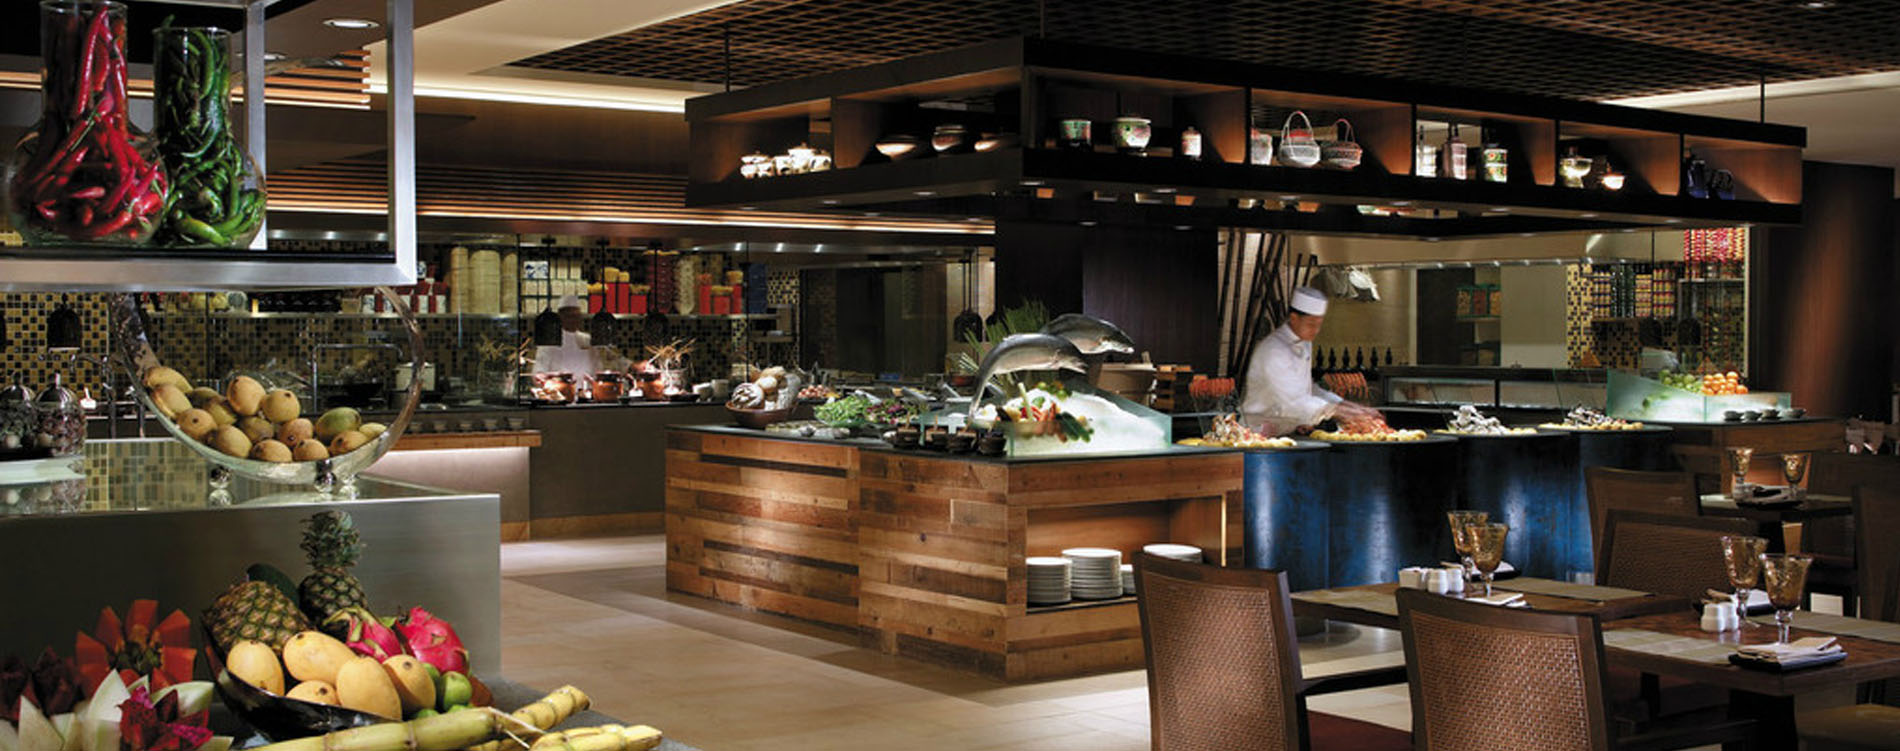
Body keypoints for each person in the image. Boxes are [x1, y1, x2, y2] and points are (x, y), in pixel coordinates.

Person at [1241, 286, 1383, 434]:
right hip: (1258, 434)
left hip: (1285, 434)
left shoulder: (1304, 343)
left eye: (1319, 325)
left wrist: (1346, 405)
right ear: (1294, 319)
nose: (1316, 331)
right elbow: (1293, 402)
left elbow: (1307, 390)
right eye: (1311, 324)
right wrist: (1340, 412)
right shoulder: (1274, 351)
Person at [532, 295, 618, 379]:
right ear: (560, 316)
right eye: (570, 316)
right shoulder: (549, 342)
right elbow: (539, 371)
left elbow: (598, 367)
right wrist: (541, 377)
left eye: (576, 316)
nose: (573, 320)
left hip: (587, 387)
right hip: (558, 387)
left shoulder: (587, 340)